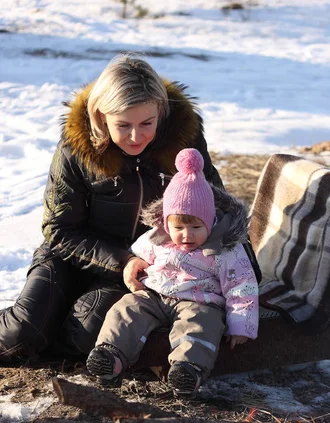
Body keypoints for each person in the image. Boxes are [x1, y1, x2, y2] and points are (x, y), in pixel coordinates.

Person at [0, 54, 224, 361]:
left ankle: (53, 327)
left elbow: (216, 206)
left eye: (147, 123)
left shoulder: (184, 144)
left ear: (161, 110)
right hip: (72, 256)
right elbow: (59, 229)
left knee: (86, 333)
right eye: (123, 125)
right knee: (20, 334)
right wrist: (122, 260)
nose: (135, 136)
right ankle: (38, 325)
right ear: (100, 116)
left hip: (146, 266)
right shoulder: (75, 147)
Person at [86, 148, 259, 398]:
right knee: (127, 309)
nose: (186, 235)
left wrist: (241, 324)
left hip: (200, 301)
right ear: (167, 223)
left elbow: (242, 286)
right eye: (178, 227)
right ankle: (110, 357)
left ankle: (187, 371)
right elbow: (137, 255)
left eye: (196, 227)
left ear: (210, 222)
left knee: (201, 326)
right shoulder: (157, 238)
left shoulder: (224, 249)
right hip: (155, 296)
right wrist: (132, 262)